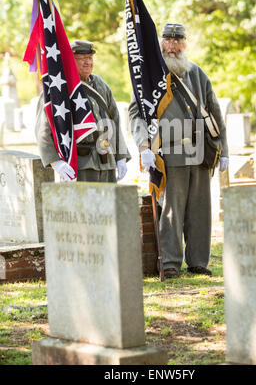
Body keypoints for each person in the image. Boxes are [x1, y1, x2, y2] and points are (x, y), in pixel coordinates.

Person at [128, 23, 229, 278]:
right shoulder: (150, 75)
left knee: (200, 211)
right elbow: (136, 114)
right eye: (168, 41)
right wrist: (143, 146)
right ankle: (171, 263)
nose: (173, 46)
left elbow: (215, 112)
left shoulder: (197, 73)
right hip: (169, 153)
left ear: (185, 43)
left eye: (177, 41)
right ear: (161, 43)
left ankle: (198, 262)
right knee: (172, 210)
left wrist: (224, 150)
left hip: (201, 152)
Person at [36, 39, 130, 182]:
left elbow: (115, 121)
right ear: (71, 60)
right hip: (80, 165)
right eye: (82, 58)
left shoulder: (100, 84)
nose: (88, 62)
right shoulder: (58, 87)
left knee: (109, 204)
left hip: (106, 162)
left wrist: (121, 156)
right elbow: (43, 129)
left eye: (90, 58)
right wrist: (55, 161)